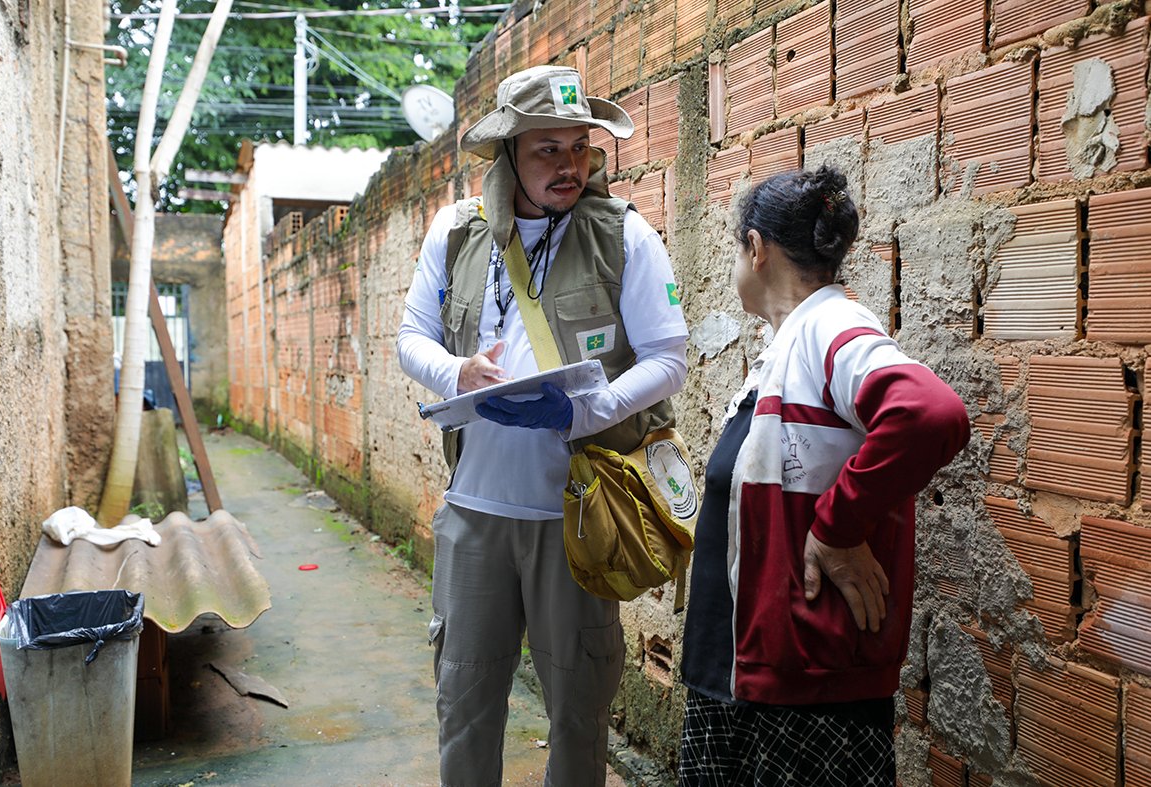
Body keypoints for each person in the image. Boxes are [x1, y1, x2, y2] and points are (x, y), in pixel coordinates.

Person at [397, 65, 689, 786]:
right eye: (546, 151)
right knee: (462, 704)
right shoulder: (457, 232)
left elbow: (668, 357)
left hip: (579, 519)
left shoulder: (624, 235)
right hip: (474, 514)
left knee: (578, 713)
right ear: (508, 156)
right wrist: (455, 373)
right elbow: (411, 336)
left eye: (579, 148)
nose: (569, 166)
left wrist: (582, 411)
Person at [677, 166, 970, 786]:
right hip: (749, 674)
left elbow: (929, 414)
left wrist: (835, 529)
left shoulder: (827, 327)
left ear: (755, 249)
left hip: (805, 692)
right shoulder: (785, 347)